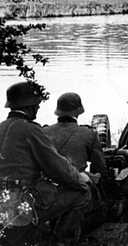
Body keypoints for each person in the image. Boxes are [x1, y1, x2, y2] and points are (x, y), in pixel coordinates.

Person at [0, 82, 90, 245]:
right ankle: (60, 241)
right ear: (32, 106)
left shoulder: (1, 127)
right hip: (19, 203)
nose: (38, 108)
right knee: (82, 193)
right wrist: (80, 180)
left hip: (2, 198)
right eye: (37, 104)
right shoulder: (31, 130)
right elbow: (57, 168)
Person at [44, 92, 106, 176]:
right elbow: (99, 166)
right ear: (78, 112)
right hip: (77, 184)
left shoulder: (43, 132)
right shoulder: (89, 133)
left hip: (48, 185)